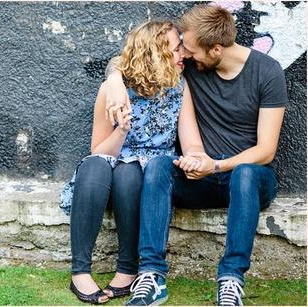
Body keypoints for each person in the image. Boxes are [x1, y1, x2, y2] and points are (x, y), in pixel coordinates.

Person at [103, 4, 288, 306]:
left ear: (216, 49)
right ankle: (151, 276)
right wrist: (113, 80)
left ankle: (230, 280)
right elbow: (129, 59)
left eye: (189, 49)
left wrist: (214, 165)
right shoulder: (190, 63)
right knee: (159, 164)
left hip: (247, 179)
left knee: (245, 173)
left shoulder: (267, 72)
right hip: (197, 176)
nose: (184, 55)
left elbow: (266, 151)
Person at [59, 20, 204, 304]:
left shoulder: (179, 87)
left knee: (130, 172)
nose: (182, 55)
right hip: (110, 165)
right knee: (94, 164)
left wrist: (196, 159)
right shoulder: (113, 90)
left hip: (149, 172)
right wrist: (122, 130)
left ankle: (127, 270)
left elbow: (192, 142)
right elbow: (99, 150)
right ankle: (80, 271)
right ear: (154, 53)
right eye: (175, 50)